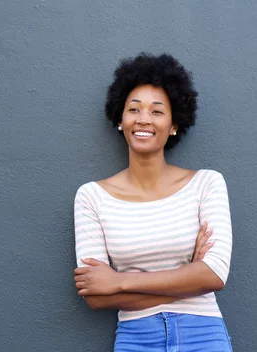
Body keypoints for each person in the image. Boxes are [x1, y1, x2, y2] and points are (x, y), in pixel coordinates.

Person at [73, 53, 233, 351]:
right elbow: (96, 295)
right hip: (136, 339)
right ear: (120, 120)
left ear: (174, 124)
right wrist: (190, 276)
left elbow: (213, 274)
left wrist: (119, 281)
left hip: (203, 336)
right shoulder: (91, 197)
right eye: (134, 109)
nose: (144, 119)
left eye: (157, 111)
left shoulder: (206, 184)